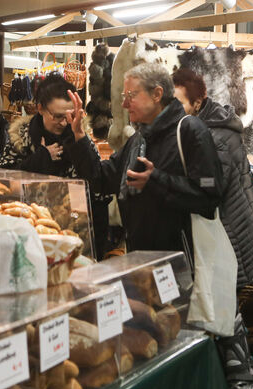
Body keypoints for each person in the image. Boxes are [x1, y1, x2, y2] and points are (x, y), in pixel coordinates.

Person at [173, 68, 253, 389]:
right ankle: (230, 380)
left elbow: (208, 189)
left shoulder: (215, 136)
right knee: (218, 307)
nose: (174, 109)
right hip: (218, 234)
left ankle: (246, 383)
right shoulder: (201, 128)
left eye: (179, 102)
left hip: (230, 235)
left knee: (225, 309)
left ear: (197, 102)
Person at [67, 62, 223, 256]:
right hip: (142, 260)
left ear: (157, 94)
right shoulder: (138, 139)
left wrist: (156, 180)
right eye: (124, 97)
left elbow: (209, 193)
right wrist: (79, 136)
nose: (124, 104)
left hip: (182, 265)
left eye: (130, 96)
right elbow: (101, 179)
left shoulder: (190, 131)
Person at [0, 74, 111, 260]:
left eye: (69, 115)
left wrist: (80, 139)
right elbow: (3, 180)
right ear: (40, 108)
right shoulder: (21, 137)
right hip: (31, 230)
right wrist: (41, 157)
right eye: (57, 116)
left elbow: (97, 185)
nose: (64, 122)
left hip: (76, 235)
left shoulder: (79, 135)